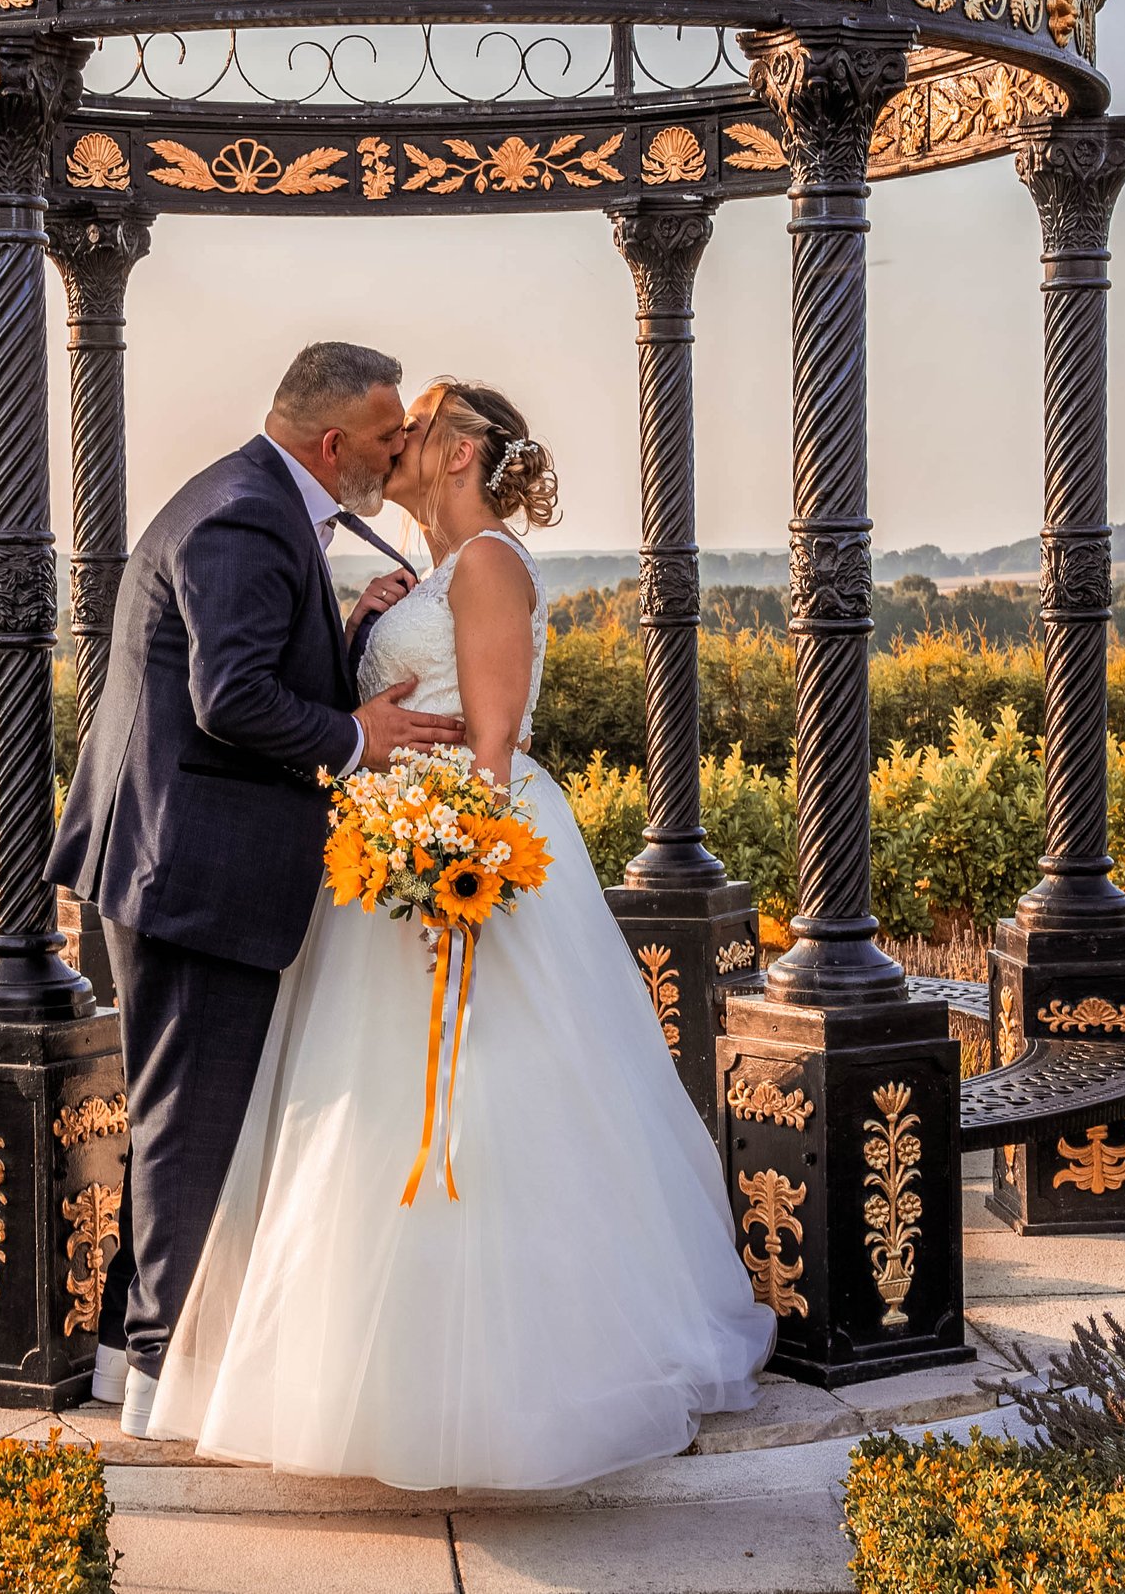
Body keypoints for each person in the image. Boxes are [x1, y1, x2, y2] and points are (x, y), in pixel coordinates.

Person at [143, 377, 775, 1489]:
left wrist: (454, 868)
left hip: (459, 858)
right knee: (362, 1111)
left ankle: (504, 1379)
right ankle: (369, 1364)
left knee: (488, 1105)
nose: (398, 440)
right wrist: (362, 626)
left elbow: (491, 741)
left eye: (419, 424)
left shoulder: (488, 565)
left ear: (460, 452)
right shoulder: (419, 578)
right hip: (385, 858)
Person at [47, 342, 466, 1436]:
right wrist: (355, 734)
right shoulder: (244, 513)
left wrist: (344, 635)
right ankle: (157, 1381)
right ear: (334, 442)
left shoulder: (247, 499)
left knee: (170, 1115)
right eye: (385, 436)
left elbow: (243, 659)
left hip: (179, 854)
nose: (394, 452)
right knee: (190, 1126)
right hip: (194, 865)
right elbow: (229, 695)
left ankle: (117, 1356)